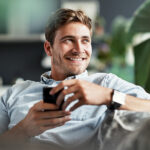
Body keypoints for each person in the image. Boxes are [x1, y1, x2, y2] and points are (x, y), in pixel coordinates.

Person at [0, 8, 150, 150]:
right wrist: (24, 129)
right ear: (48, 48)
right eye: (68, 40)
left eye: (85, 40)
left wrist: (108, 96)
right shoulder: (14, 94)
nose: (79, 49)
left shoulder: (105, 84)